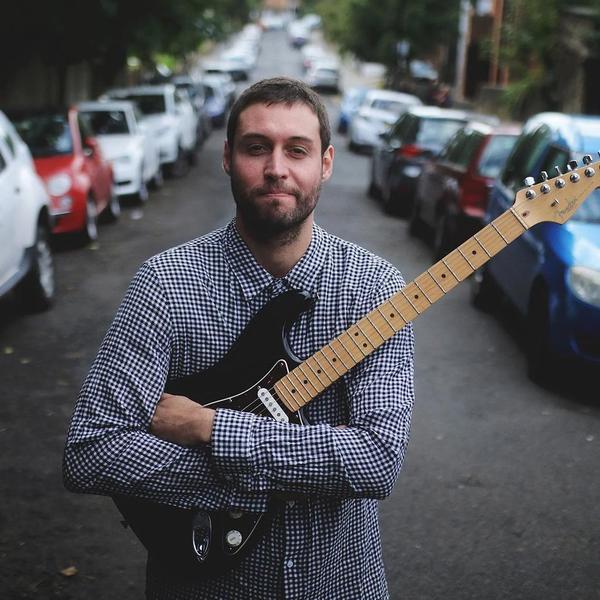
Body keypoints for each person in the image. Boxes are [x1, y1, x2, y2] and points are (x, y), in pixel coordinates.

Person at [63, 76, 415, 599]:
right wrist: (312, 462)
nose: (276, 168)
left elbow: (376, 460)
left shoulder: (375, 289)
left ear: (326, 164)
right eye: (256, 148)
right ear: (227, 157)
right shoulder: (165, 285)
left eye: (297, 150)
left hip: (341, 585)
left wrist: (209, 428)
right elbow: (91, 451)